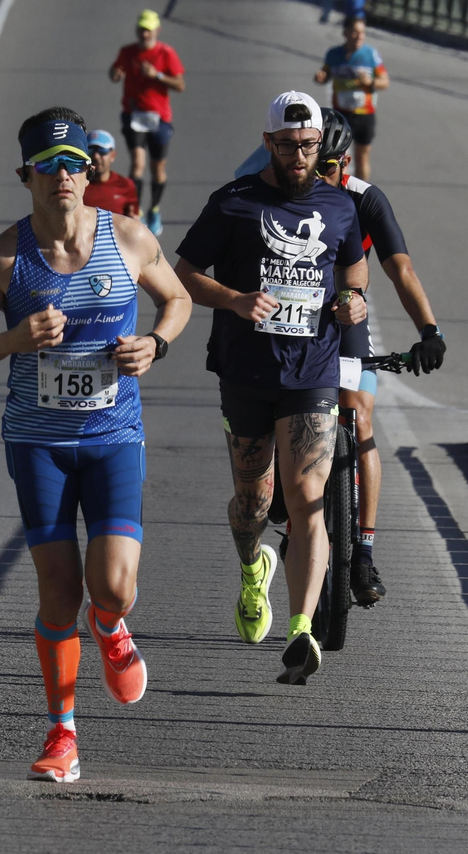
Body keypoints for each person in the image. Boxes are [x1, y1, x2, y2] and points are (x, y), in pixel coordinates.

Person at [0, 108, 191, 782]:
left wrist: (156, 342)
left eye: (73, 165)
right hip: (38, 441)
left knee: (109, 587)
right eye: (48, 167)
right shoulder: (3, 257)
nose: (63, 178)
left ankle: (110, 628)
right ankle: (62, 732)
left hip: (113, 436)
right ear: (26, 177)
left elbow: (178, 299)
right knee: (58, 590)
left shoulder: (129, 238)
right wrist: (13, 341)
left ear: (89, 172)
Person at [172, 92, 367, 685]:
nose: (302, 156)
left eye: (310, 147)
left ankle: (301, 626)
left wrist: (353, 297)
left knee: (309, 498)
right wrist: (234, 299)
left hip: (312, 371)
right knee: (254, 503)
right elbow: (181, 276)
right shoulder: (233, 203)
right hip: (247, 371)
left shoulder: (339, 207)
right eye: (290, 146)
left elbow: (352, 265)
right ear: (269, 145)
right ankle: (254, 564)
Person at [237, 108, 445, 606]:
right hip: (285, 321)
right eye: (307, 158)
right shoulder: (266, 185)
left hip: (341, 317)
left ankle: (365, 550)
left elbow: (400, 268)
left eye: (327, 164)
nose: (313, 171)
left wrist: (429, 330)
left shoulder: (362, 198)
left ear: (344, 162)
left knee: (358, 408)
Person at [110, 9, 185, 235]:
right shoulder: (128, 52)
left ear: (157, 30)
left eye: (149, 30)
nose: (145, 34)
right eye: (142, 30)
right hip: (134, 115)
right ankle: (136, 210)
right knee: (137, 164)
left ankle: (154, 208)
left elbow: (180, 85)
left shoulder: (166, 53)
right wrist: (116, 74)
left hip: (159, 118)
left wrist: (157, 76)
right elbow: (114, 73)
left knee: (157, 168)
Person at [314, 17, 388, 181]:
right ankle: (339, 194)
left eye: (362, 32)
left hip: (364, 115)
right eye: (355, 32)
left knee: (362, 158)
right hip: (340, 115)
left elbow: (384, 82)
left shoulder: (370, 55)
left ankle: (361, 194)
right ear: (346, 33)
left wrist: (370, 82)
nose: (359, 36)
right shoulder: (334, 54)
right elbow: (325, 74)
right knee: (337, 159)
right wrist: (321, 76)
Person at [82, 129, 139, 219]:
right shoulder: (78, 184)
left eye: (102, 151)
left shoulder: (126, 185)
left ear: (112, 156)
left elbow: (135, 217)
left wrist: (133, 220)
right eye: (91, 151)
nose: (96, 156)